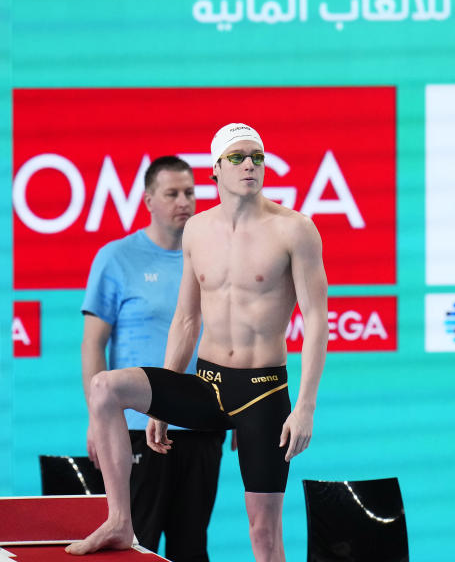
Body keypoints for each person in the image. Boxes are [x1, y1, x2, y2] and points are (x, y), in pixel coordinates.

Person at [68, 123, 329, 562]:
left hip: (262, 391)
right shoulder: (198, 231)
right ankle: (119, 520)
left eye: (257, 157)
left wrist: (304, 407)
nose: (249, 165)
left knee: (264, 533)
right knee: (104, 388)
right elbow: (187, 319)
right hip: (206, 384)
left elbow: (317, 320)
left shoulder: (295, 230)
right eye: (237, 157)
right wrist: (162, 403)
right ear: (216, 169)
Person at [81, 155, 225, 562]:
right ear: (148, 200)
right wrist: (96, 417)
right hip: (134, 428)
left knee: (192, 546)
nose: (185, 201)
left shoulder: (212, 258)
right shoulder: (116, 258)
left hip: (200, 426)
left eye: (191, 192)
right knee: (135, 542)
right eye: (173, 193)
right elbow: (93, 344)